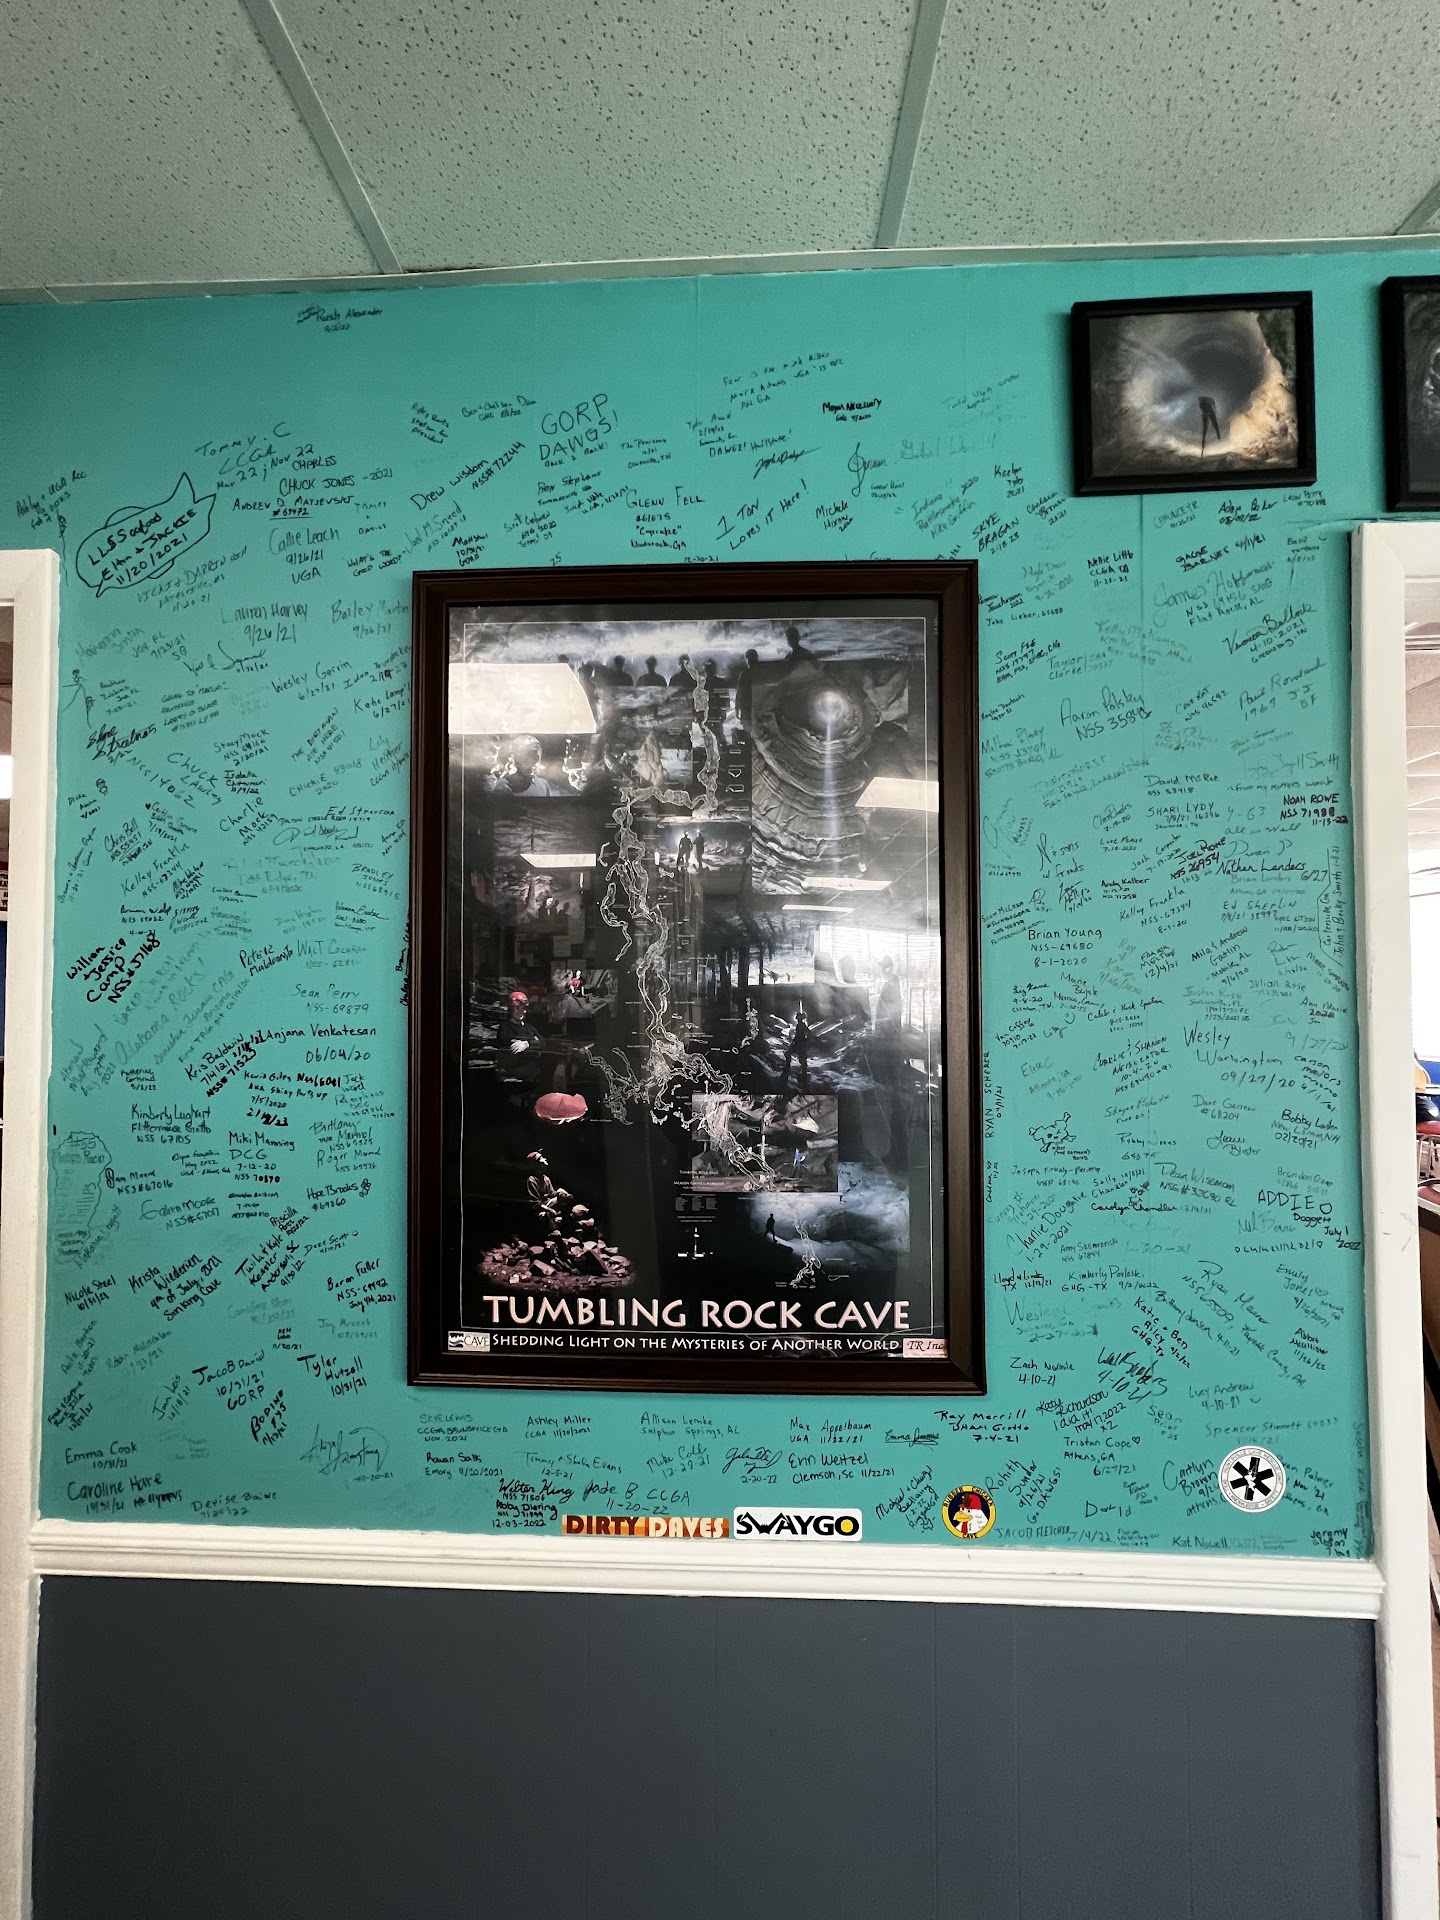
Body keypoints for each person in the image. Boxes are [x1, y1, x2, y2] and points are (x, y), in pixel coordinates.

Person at [495, 990, 544, 1081]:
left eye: (524, 1008)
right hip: (513, 1076)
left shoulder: (530, 1028)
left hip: (533, 1074)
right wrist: (534, 1042)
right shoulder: (505, 1027)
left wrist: (527, 1044)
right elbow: (510, 1044)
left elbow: (543, 1043)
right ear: (510, 1009)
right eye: (517, 1008)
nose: (521, 1011)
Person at [489, 735, 553, 797]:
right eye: (527, 758)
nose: (532, 763)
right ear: (516, 759)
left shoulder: (543, 785)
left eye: (535, 757)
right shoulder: (503, 787)